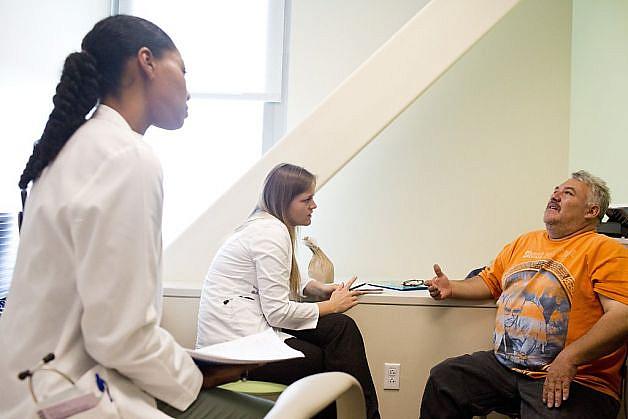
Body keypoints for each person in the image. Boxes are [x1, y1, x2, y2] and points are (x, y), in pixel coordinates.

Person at [0, 15, 272, 418]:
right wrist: (202, 374)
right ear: (147, 61)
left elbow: (107, 326)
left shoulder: (72, 151)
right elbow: (120, 337)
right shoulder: (127, 157)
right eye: (182, 69)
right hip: (73, 399)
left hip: (35, 389)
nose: (188, 90)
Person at [420, 171, 628, 419]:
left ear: (591, 211)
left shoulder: (606, 250)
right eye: (556, 190)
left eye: (568, 193)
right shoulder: (524, 242)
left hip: (577, 378)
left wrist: (569, 359)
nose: (556, 195)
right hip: (507, 368)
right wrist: (451, 287)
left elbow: (622, 316)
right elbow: (490, 281)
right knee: (445, 379)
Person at [197, 163, 381, 419]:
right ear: (284, 201)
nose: (314, 205)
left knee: (340, 327)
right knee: (317, 360)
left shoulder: (268, 226)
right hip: (234, 349)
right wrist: (332, 305)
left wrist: (317, 288)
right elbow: (277, 312)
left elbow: (280, 275)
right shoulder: (270, 233)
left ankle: (364, 416)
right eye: (307, 199)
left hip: (250, 327)